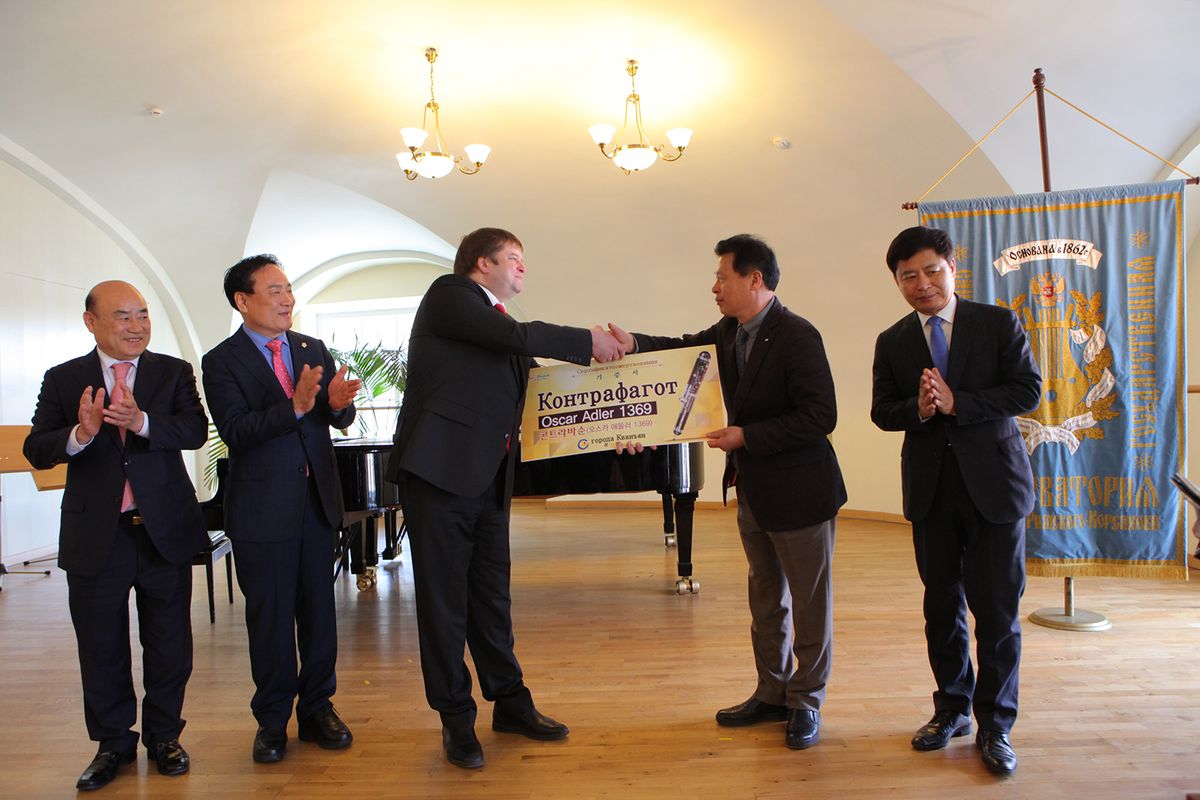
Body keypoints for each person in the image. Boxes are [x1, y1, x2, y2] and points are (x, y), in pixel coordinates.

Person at [385, 227, 626, 769]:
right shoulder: (450, 295)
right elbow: (520, 335)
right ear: (480, 263)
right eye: (513, 257)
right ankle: (455, 717)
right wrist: (586, 340)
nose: (522, 267)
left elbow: (552, 399)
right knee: (444, 605)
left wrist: (619, 423)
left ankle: (510, 702)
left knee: (492, 599)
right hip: (439, 475)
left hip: (489, 481)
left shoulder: (501, 331)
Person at [609, 233, 846, 751]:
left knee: (810, 605)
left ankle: (806, 701)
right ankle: (772, 691)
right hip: (754, 490)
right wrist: (635, 345)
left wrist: (747, 437)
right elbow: (682, 350)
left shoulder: (797, 334)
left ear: (754, 279)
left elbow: (820, 416)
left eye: (722, 277)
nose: (714, 287)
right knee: (766, 599)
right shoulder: (728, 331)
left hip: (802, 492)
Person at [23, 281, 208, 791]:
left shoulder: (172, 371)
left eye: (142, 314)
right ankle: (113, 744)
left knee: (169, 641)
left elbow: (194, 431)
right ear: (92, 322)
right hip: (95, 534)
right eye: (123, 316)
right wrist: (81, 434)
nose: (136, 326)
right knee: (101, 644)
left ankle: (165, 737)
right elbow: (37, 448)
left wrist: (142, 421)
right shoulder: (64, 379)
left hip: (162, 529)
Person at [870, 225, 1041, 776]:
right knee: (941, 607)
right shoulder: (892, 341)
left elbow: (1028, 391)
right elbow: (882, 411)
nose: (922, 284)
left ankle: (996, 724)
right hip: (932, 493)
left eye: (931, 271)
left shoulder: (996, 322)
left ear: (952, 268)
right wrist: (919, 410)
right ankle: (952, 709)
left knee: (997, 613)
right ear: (897, 282)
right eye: (908, 276)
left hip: (995, 489)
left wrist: (956, 402)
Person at [201, 255, 362, 764]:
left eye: (288, 289)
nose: (287, 299)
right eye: (274, 291)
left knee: (319, 614)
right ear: (242, 300)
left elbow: (338, 418)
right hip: (261, 510)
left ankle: (318, 709)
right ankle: (272, 720)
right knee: (269, 619)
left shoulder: (311, 348)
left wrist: (338, 403)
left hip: (316, 504)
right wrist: (293, 406)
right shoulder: (221, 361)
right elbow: (237, 431)